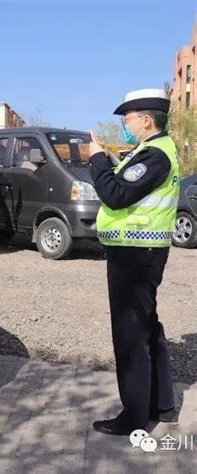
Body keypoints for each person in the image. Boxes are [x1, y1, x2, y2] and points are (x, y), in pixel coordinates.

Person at [88, 89, 180, 436]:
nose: (125, 125)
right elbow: (128, 189)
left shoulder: (156, 154)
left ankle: (134, 417)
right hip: (140, 255)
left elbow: (115, 194)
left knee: (131, 336)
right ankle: (162, 405)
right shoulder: (150, 152)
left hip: (135, 258)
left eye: (127, 119)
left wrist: (97, 160)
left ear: (146, 119)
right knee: (146, 329)